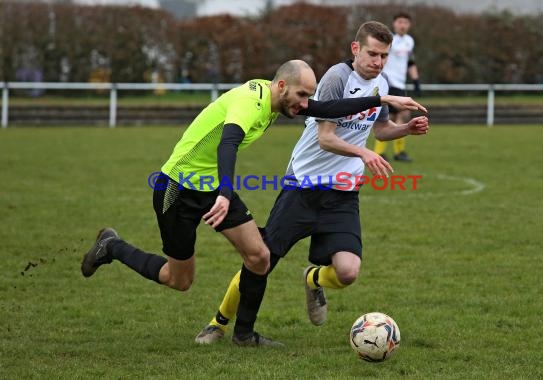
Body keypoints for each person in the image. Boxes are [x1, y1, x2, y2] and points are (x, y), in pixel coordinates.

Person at [80, 59, 425, 347]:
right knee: (178, 279)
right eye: (302, 95)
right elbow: (227, 144)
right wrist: (226, 193)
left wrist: (385, 100)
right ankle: (112, 246)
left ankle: (243, 334)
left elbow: (329, 108)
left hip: (215, 186)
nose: (306, 104)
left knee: (259, 256)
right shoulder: (250, 101)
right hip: (178, 189)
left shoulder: (281, 98)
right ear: (281, 87)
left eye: (309, 96)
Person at [195, 21, 429, 346]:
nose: (378, 61)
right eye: (373, 53)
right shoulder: (337, 78)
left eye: (384, 56)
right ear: (355, 48)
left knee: (347, 272)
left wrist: (406, 130)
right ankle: (217, 323)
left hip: (343, 192)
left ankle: (313, 277)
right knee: (261, 258)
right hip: (302, 187)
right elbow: (325, 138)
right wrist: (363, 153)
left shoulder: (383, 82)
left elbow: (381, 129)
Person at [374, 11, 421, 162]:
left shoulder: (409, 41)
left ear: (409, 25)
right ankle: (393, 152)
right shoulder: (389, 40)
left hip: (400, 83)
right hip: (388, 82)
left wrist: (415, 80)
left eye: (405, 22)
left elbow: (410, 62)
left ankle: (385, 152)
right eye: (400, 22)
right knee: (397, 116)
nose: (402, 25)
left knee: (395, 116)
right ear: (394, 24)